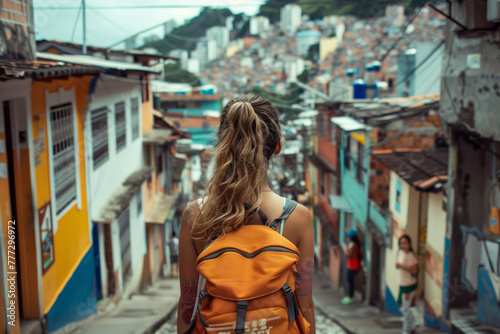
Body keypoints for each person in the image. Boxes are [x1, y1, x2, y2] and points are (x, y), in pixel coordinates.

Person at [177, 94, 316, 334]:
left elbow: (187, 305)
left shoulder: (195, 216)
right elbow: (305, 306)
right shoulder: (297, 218)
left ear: (222, 143)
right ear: (278, 147)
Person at [396, 234, 419, 334]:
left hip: (409, 284)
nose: (402, 245)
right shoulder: (401, 252)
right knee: (401, 305)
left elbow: (414, 270)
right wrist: (399, 266)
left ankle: (406, 330)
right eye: (401, 243)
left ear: (409, 244)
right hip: (403, 283)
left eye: (405, 243)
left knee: (405, 308)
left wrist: (401, 266)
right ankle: (414, 323)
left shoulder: (410, 255)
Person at [340, 229, 361, 305]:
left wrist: (346, 250)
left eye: (349, 237)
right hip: (353, 265)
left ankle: (351, 297)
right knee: (350, 282)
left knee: (350, 282)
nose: (348, 238)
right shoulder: (355, 245)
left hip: (352, 266)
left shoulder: (353, 245)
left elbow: (348, 255)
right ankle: (350, 296)